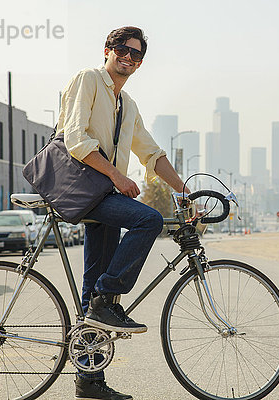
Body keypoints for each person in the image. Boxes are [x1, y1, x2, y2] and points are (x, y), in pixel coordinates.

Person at [57, 26, 189, 400]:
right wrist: (116, 175)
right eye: (123, 50)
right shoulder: (88, 80)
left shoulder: (126, 103)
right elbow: (76, 139)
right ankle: (106, 298)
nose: (129, 58)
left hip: (102, 195)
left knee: (92, 296)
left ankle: (89, 380)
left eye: (136, 55)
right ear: (108, 50)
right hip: (83, 188)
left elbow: (151, 152)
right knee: (148, 219)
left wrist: (184, 190)